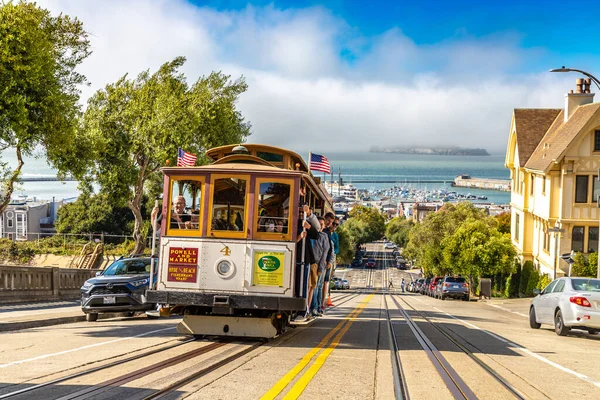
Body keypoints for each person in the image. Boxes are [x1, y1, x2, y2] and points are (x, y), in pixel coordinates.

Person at [294, 204, 319, 321]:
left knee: (304, 284)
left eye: (301, 213)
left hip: (305, 258)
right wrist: (300, 236)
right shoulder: (292, 224)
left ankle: (303, 310)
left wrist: (308, 227)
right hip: (294, 257)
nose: (300, 215)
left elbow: (316, 235)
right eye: (298, 213)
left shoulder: (305, 224)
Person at [310, 216, 330, 317]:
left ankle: (315, 308)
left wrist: (321, 268)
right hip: (310, 264)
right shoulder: (310, 234)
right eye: (319, 224)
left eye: (322, 224)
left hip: (318, 265)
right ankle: (313, 307)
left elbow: (324, 253)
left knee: (317, 286)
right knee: (313, 287)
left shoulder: (324, 236)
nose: (320, 226)